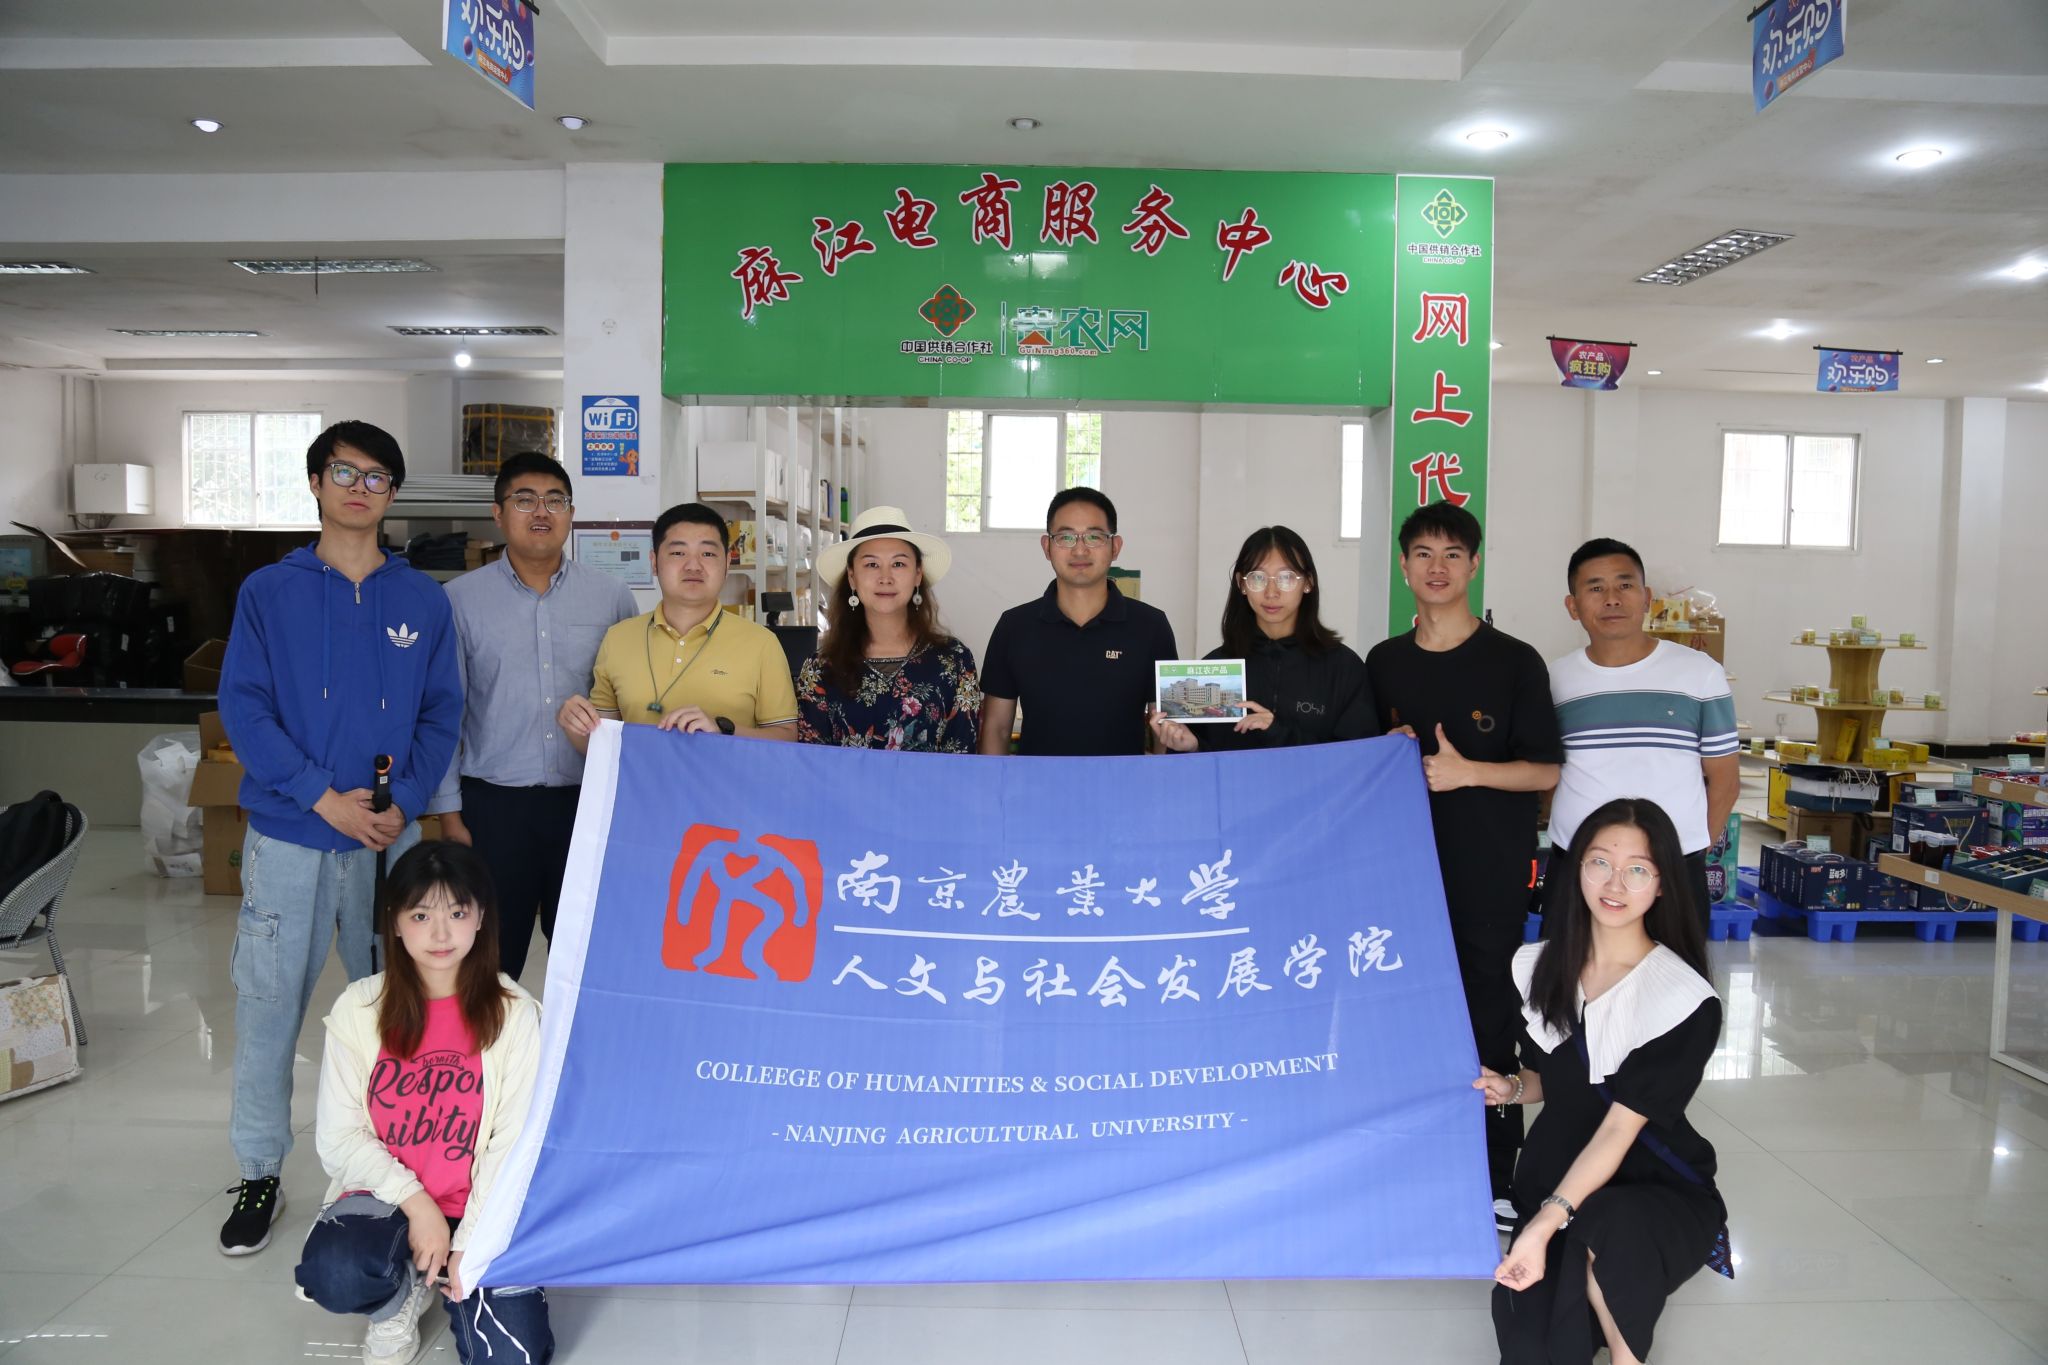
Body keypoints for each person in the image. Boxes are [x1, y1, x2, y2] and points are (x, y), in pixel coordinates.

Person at [216, 420, 461, 1256]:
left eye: (377, 477)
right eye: (345, 473)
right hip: (291, 834)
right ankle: (259, 1169)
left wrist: (407, 801)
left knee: (397, 1012)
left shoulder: (421, 599)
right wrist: (321, 797)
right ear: (317, 482)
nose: (360, 489)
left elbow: (442, 713)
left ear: (393, 494)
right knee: (269, 1008)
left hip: (388, 840)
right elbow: (245, 708)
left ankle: (396, 1169)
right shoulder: (269, 592)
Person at [1365, 501, 1562, 1230]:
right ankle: (1413, 1160)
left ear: (1474, 564)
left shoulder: (1514, 660)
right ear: (1403, 566)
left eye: (1453, 553)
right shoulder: (1384, 662)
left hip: (1487, 871)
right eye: (1423, 553)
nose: (1438, 567)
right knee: (1405, 1015)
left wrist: (1466, 773)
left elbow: (1545, 769)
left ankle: (1497, 1174)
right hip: (1401, 874)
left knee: (1487, 1014)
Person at [1480, 796, 1728, 1365]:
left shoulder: (1682, 999)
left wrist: (1541, 1226)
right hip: (1557, 1172)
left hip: (1647, 1185)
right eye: (1600, 863)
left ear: (1662, 885)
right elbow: (1551, 1078)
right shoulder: (1535, 967)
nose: (1615, 884)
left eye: (1638, 869)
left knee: (1611, 1229)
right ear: (1576, 870)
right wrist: (1511, 1089)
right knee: (1533, 1346)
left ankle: (1627, 1357)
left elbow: (1618, 1130)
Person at [295, 841, 552, 1365]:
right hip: (389, 1198)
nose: (440, 935)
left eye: (457, 914)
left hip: (482, 1203)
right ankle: (397, 1297)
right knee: (337, 1272)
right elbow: (339, 1139)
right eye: (420, 915)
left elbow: (513, 1142)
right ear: (394, 921)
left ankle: (448, 1270)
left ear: (481, 917)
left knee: (514, 1358)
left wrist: (469, 1241)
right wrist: (418, 1205)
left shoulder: (516, 1014)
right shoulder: (360, 1008)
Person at [429, 452, 637, 984]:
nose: (541, 511)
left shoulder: (611, 597)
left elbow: (630, 702)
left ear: (571, 514)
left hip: (585, 804)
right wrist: (449, 812)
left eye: (554, 500)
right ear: (498, 514)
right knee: (490, 963)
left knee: (589, 961)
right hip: (494, 810)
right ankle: (494, 1044)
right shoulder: (458, 600)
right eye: (524, 500)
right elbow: (447, 712)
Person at [1548, 539, 1739, 937]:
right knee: (1568, 973)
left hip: (1672, 868)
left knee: (1674, 974)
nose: (1612, 599)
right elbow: (1547, 775)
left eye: (1625, 585)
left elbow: (1724, 779)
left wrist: (1687, 853)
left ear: (1647, 597)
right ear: (1572, 606)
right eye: (1595, 588)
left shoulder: (1699, 674)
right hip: (1579, 865)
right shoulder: (1554, 681)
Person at [557, 502, 799, 750]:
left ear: (727, 563)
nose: (693, 565)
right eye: (678, 553)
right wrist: (574, 724)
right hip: (641, 777)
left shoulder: (761, 644)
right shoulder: (618, 638)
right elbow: (601, 746)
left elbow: (788, 739)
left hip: (726, 777)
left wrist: (724, 730)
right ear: (654, 562)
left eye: (708, 554)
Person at [978, 488, 1178, 756]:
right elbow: (997, 729)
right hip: (1036, 782)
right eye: (1066, 537)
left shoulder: (1151, 626)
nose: (1080, 550)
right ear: (1047, 547)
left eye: (1094, 537)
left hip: (1123, 782)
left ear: (1115, 547)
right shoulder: (1014, 627)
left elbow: (1166, 730)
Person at [1148, 525, 1376, 754]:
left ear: (1308, 582)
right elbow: (1197, 766)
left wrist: (1277, 732)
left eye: (1286, 578)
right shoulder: (1214, 669)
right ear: (1242, 584)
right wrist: (1192, 748)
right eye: (1258, 578)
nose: (1271, 592)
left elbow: (1360, 759)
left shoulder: (1343, 667)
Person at [797, 505, 981, 751]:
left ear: (918, 574)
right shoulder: (820, 667)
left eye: (898, 564)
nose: (885, 577)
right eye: (872, 565)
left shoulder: (954, 661)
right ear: (852, 576)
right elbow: (811, 761)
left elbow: (963, 757)